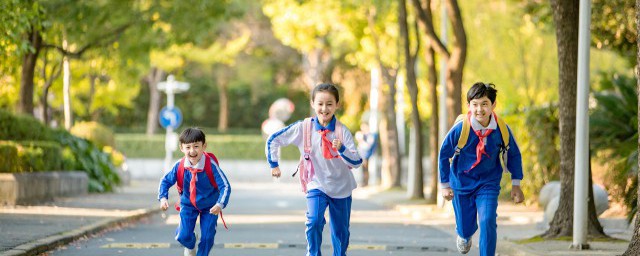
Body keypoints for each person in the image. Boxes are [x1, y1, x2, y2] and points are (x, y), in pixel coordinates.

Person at [265, 83, 363, 256]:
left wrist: (342, 149)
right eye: (320, 104)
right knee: (314, 221)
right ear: (313, 104)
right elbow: (274, 139)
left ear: (337, 105)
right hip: (316, 184)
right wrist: (274, 164)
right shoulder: (304, 128)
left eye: (329, 104)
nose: (324, 109)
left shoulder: (342, 132)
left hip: (341, 187)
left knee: (341, 232)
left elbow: (356, 161)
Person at [438, 82, 524, 256]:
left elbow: (514, 154)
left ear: (493, 104)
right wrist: (445, 185)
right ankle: (463, 234)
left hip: (488, 182)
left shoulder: (501, 129)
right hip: (461, 182)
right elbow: (443, 154)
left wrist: (516, 184)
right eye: (475, 104)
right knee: (465, 226)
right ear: (469, 106)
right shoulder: (461, 128)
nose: (479, 109)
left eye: (484, 104)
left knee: (487, 220)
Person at [158, 127, 231, 256]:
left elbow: (225, 186)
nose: (192, 151)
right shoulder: (179, 166)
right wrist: (163, 198)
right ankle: (190, 243)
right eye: (188, 147)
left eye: (196, 146)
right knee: (183, 236)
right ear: (181, 148)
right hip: (188, 204)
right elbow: (165, 181)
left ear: (204, 146)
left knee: (208, 237)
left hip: (210, 206)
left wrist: (220, 204)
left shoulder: (210, 165)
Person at [354, 122, 377, 187]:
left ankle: (365, 183)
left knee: (365, 168)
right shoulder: (362, 135)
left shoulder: (370, 135)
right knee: (363, 169)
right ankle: (364, 182)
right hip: (361, 154)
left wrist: (361, 140)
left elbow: (368, 146)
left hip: (366, 155)